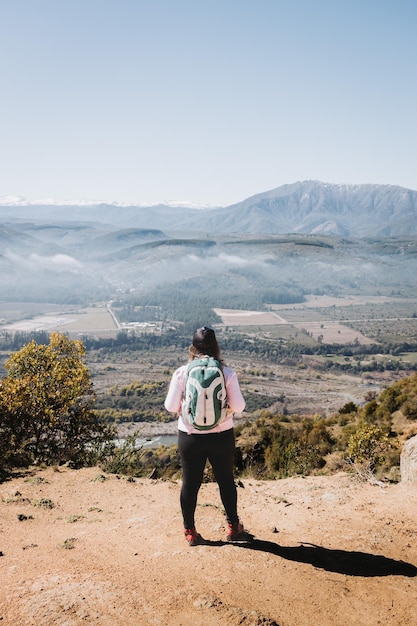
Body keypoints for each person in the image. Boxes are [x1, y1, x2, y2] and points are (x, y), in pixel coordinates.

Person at [164, 326, 247, 546]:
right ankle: (232, 527)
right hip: (221, 436)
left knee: (190, 485)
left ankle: (190, 532)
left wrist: (185, 408)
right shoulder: (226, 372)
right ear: (216, 347)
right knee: (226, 482)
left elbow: (170, 406)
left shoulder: (183, 372)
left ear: (193, 348)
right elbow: (239, 406)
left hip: (190, 437)